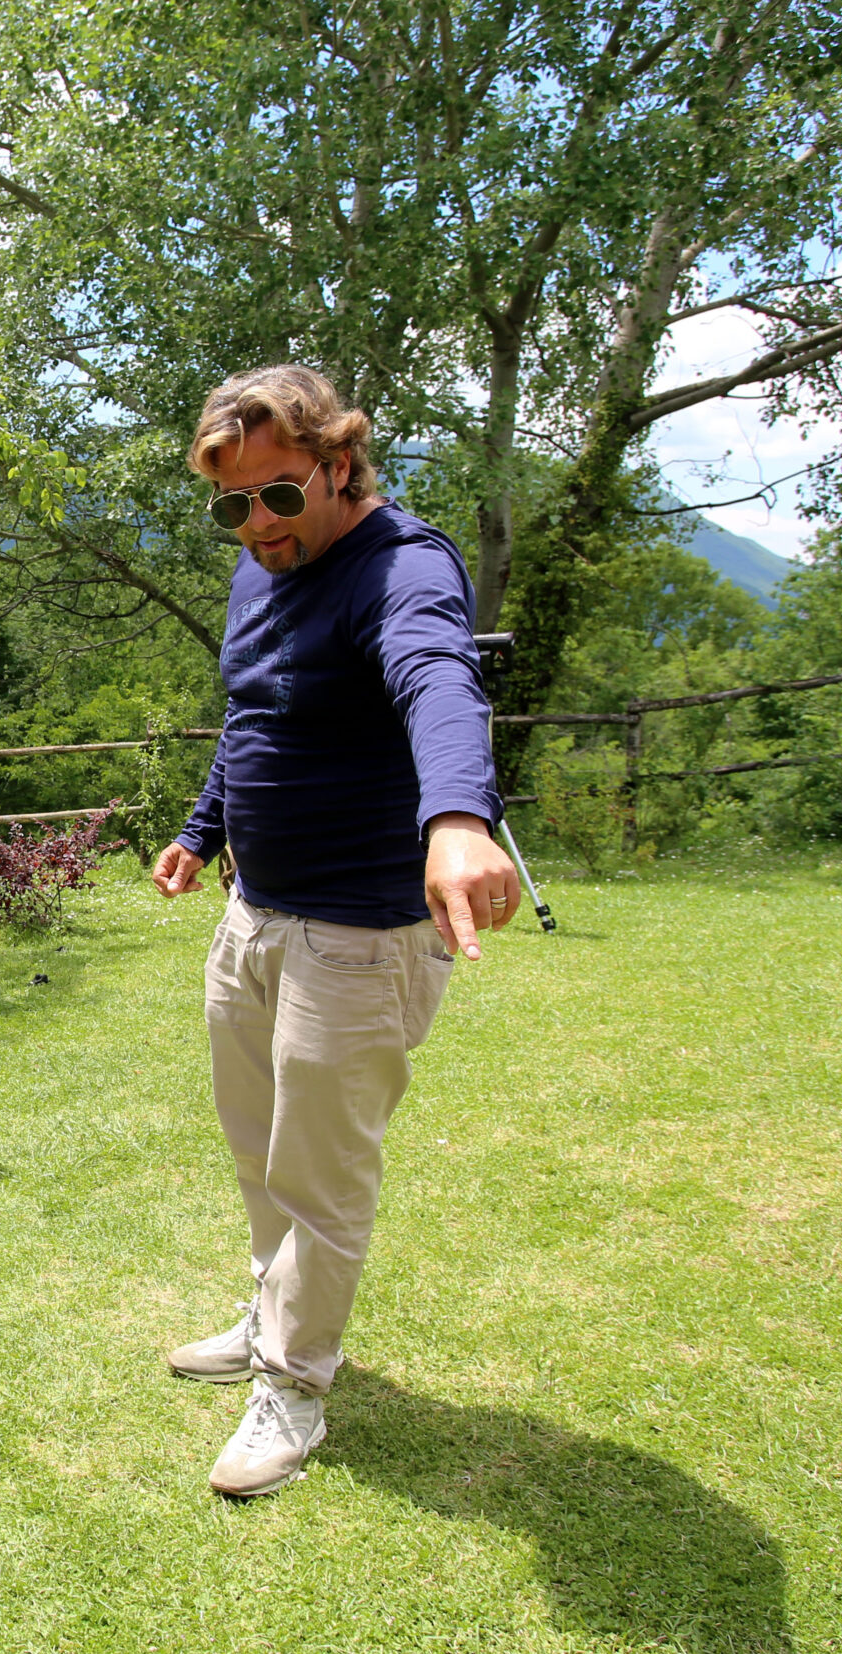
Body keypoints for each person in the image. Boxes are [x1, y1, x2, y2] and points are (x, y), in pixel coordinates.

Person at [151, 366, 518, 1498]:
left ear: (340, 464)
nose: (255, 525)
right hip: (255, 913)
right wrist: (204, 830)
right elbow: (250, 713)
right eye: (231, 506)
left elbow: (435, 681)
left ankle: (296, 1388)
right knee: (261, 1150)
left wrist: (459, 816)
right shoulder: (258, 571)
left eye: (277, 497)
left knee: (320, 1174)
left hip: (358, 934)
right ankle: (274, 1320)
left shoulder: (402, 567)